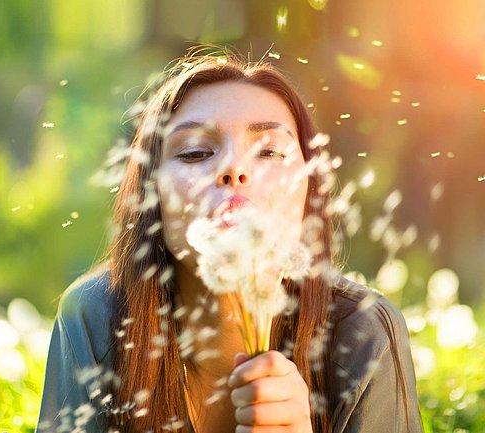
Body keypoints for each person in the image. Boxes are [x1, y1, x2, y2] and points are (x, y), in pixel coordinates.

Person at [36, 47, 423, 433]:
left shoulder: (364, 336)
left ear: (309, 189)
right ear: (151, 194)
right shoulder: (96, 318)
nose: (234, 168)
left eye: (270, 151)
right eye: (195, 152)